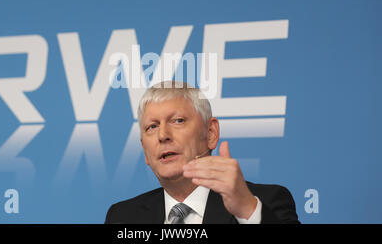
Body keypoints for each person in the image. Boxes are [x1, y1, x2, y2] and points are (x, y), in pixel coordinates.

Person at [105, 81, 299, 224]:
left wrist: (246, 209)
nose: (163, 135)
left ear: (211, 133)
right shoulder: (122, 217)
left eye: (178, 120)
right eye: (152, 127)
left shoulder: (264, 202)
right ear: (145, 152)